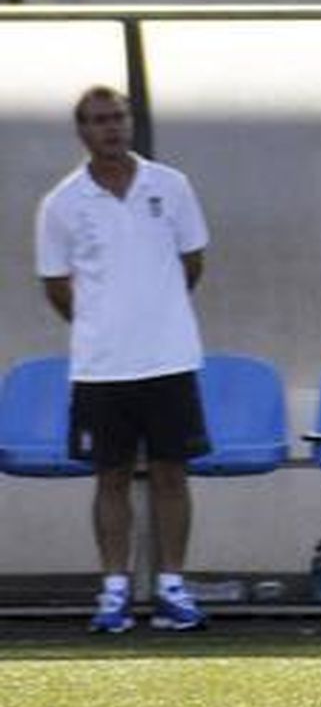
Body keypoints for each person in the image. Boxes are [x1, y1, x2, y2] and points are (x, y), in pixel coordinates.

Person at [34, 87, 212, 634]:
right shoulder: (61, 203)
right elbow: (55, 283)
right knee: (109, 476)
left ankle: (172, 588)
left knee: (170, 474)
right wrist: (103, 324)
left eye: (117, 118)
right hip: (101, 367)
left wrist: (154, 317)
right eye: (97, 121)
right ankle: (113, 591)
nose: (110, 128)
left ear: (130, 122)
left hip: (169, 359)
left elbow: (192, 261)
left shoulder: (171, 186)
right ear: (81, 132)